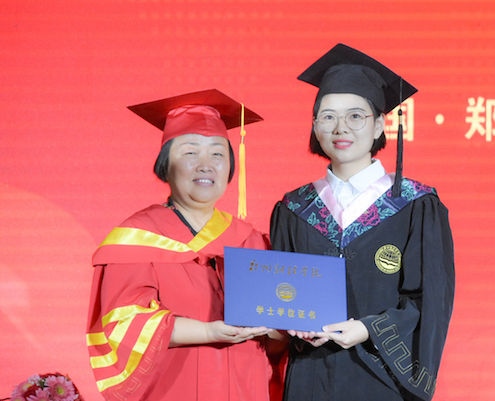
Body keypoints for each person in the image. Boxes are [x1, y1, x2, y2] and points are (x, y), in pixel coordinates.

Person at [270, 44, 455, 401]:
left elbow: (429, 302)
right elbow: (281, 293)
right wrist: (293, 325)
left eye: (355, 116)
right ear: (314, 126)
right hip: (310, 379)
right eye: (328, 117)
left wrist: (367, 329)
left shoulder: (415, 205)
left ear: (378, 125)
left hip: (380, 379)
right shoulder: (294, 208)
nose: (341, 128)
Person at [86, 89, 287, 401]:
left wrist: (282, 328)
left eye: (218, 154)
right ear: (165, 165)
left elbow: (275, 346)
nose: (206, 165)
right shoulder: (136, 238)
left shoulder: (252, 241)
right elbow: (124, 325)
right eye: (190, 153)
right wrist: (208, 332)